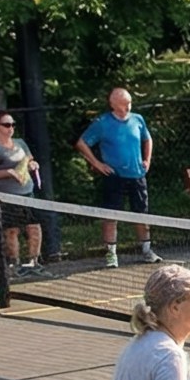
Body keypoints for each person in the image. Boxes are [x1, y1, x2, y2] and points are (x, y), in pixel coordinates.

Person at [75, 86, 160, 264]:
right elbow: (82, 143)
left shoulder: (138, 119)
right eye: (123, 104)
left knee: (142, 214)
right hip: (114, 176)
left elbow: (148, 138)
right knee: (111, 215)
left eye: (129, 103)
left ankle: (146, 250)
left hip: (137, 175)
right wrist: (97, 164)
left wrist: (147, 159)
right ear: (113, 104)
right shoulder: (102, 122)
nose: (127, 107)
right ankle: (111, 254)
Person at [0, 111, 44, 277]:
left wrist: (33, 165)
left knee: (34, 227)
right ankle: (14, 264)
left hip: (27, 192)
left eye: (13, 124)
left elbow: (29, 160)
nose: (10, 128)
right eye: (6, 125)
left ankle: (33, 262)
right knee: (12, 230)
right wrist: (7, 172)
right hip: (6, 195)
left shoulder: (20, 143)